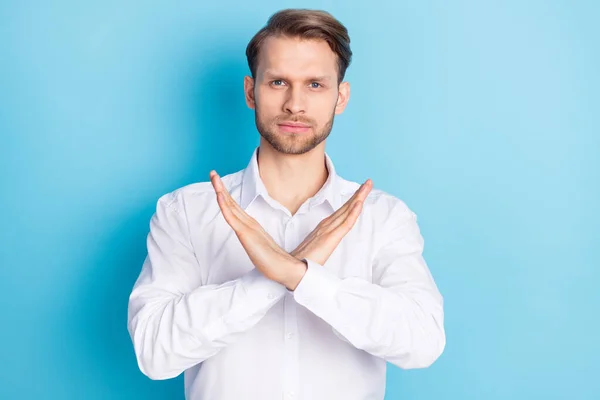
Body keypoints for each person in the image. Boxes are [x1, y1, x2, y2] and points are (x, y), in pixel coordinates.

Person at [127, 8, 445, 400]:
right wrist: (271, 278)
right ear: (250, 91)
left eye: (315, 84)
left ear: (340, 96)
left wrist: (301, 277)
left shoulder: (384, 218)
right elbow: (154, 353)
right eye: (278, 82)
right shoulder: (186, 212)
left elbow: (423, 341)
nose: (295, 104)